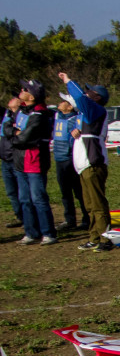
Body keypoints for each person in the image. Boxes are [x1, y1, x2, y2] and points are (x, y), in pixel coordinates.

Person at [58, 73, 112, 252]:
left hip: (93, 163)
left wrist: (68, 81)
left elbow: (79, 97)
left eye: (91, 92)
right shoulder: (88, 113)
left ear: (97, 98)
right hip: (84, 164)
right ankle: (94, 237)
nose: (87, 93)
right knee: (89, 205)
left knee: (97, 203)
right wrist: (76, 132)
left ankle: (106, 239)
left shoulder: (96, 109)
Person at [8, 80, 57, 245]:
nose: (21, 90)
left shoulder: (40, 114)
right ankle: (31, 232)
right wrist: (15, 133)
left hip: (34, 161)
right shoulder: (22, 111)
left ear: (32, 96)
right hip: (19, 161)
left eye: (26, 89)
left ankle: (48, 233)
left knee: (38, 198)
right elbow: (8, 128)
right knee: (24, 199)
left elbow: (24, 138)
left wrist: (15, 135)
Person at [53, 94, 90, 231]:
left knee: (79, 192)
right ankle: (69, 220)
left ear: (70, 107)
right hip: (59, 158)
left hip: (70, 159)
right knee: (65, 192)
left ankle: (86, 219)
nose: (60, 102)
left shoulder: (76, 119)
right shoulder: (57, 116)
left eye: (64, 101)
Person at [1, 97, 22, 229]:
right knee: (11, 192)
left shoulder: (22, 116)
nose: (11, 99)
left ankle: (29, 218)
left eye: (15, 97)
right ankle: (20, 217)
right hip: (5, 160)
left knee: (23, 192)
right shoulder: (6, 114)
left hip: (16, 159)